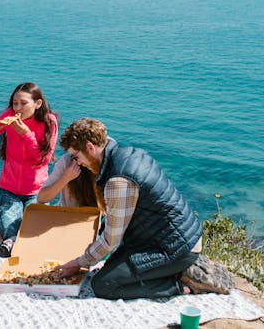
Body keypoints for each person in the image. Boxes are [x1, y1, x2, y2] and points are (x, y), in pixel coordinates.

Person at [55, 118, 233, 299]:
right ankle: (181, 268)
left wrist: (79, 263)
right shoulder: (129, 153)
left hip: (175, 248)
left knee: (103, 284)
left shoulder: (118, 181)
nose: (78, 162)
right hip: (175, 238)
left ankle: (183, 285)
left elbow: (111, 241)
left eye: (76, 156)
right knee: (110, 266)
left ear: (90, 147)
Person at [0, 82, 58, 257]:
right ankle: (12, 242)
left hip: (37, 191)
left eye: (23, 103)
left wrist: (26, 134)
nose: (18, 108)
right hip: (9, 188)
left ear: (38, 104)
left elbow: (42, 159)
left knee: (33, 229)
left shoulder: (49, 122)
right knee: (10, 225)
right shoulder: (10, 116)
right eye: (15, 103)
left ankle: (11, 244)